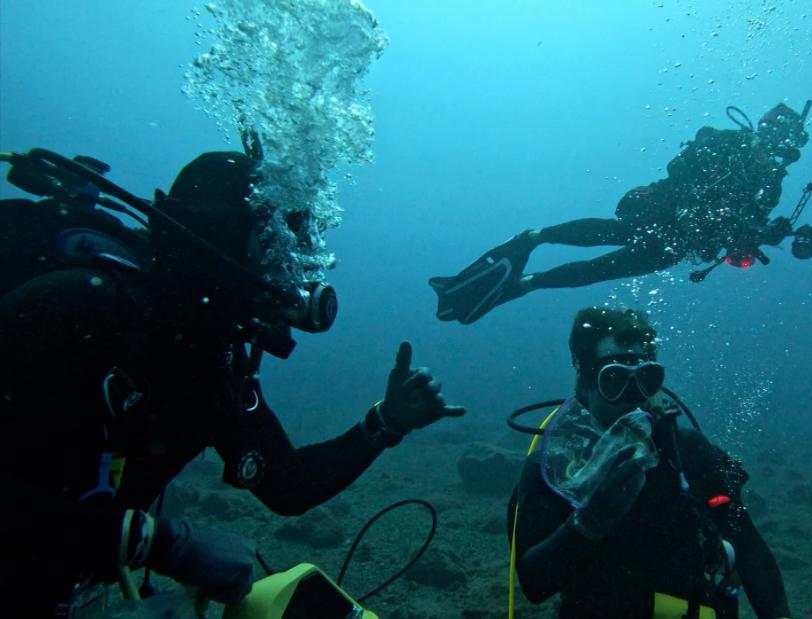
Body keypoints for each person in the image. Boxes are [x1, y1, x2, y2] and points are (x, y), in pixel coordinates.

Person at [0, 148, 465, 616]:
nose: (289, 277)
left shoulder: (208, 358)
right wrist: (158, 543)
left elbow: (287, 484)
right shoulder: (74, 308)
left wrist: (385, 424)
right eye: (272, 248)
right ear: (217, 237)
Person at [430, 101, 812, 324]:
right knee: (611, 233)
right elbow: (683, 168)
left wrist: (761, 234)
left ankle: (528, 282)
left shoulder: (773, 185)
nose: (779, 150)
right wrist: (704, 205)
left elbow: (740, 234)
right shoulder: (730, 143)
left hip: (682, 244)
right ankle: (532, 239)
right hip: (661, 210)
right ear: (767, 131)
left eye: (789, 143)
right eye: (779, 138)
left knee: (600, 271)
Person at [507, 307, 792, 618]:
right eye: (614, 379)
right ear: (585, 387)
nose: (634, 397)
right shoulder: (554, 469)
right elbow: (534, 585)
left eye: (646, 379)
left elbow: (748, 547)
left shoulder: (686, 451)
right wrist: (592, 519)